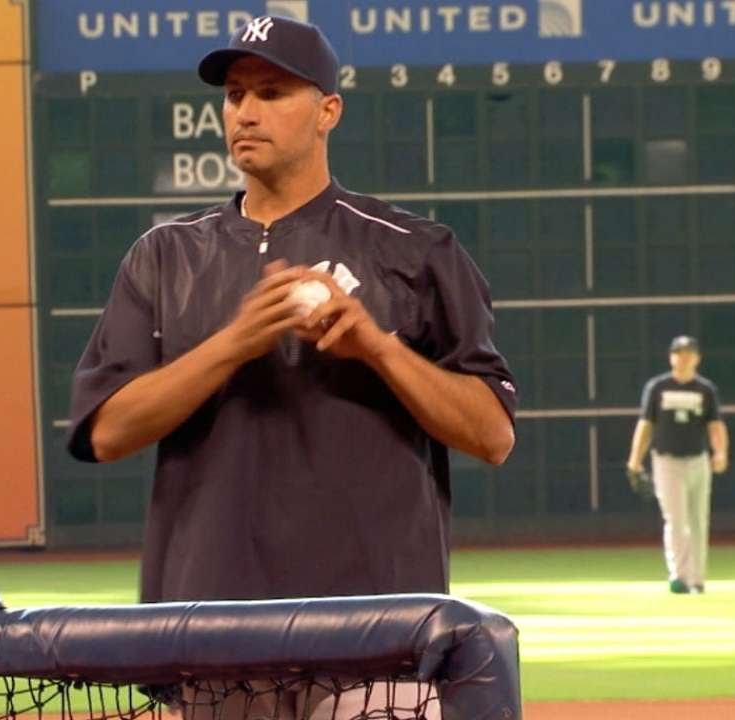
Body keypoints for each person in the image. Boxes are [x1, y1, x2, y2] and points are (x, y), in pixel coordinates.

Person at [67, 15, 517, 719]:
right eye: (236, 94)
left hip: (379, 627)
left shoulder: (416, 251)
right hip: (213, 629)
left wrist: (377, 347)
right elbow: (106, 432)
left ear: (328, 110)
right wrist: (235, 342)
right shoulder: (163, 257)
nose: (245, 111)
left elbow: (492, 434)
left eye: (272, 92)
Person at [626, 335, 728, 595]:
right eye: (679, 353)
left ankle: (697, 579)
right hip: (667, 460)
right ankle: (680, 576)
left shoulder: (705, 390)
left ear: (697, 358)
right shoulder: (658, 387)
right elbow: (646, 424)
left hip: (697, 459)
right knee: (675, 519)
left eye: (689, 353)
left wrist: (720, 452)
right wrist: (635, 459)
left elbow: (715, 425)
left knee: (697, 519)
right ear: (671, 356)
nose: (684, 358)